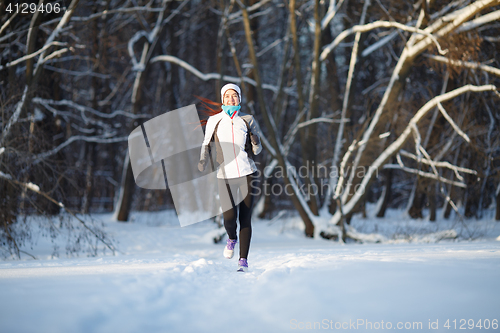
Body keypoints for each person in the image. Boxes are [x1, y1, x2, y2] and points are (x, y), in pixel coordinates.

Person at [197, 83, 262, 272]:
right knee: (229, 217)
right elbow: (206, 143)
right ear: (222, 99)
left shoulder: (247, 119)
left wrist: (255, 140)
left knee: (246, 218)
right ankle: (231, 238)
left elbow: (257, 151)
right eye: (227, 96)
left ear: (239, 99)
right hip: (224, 175)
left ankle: (243, 260)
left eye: (234, 96)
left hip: (247, 173)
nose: (231, 99)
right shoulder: (215, 120)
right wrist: (202, 160)